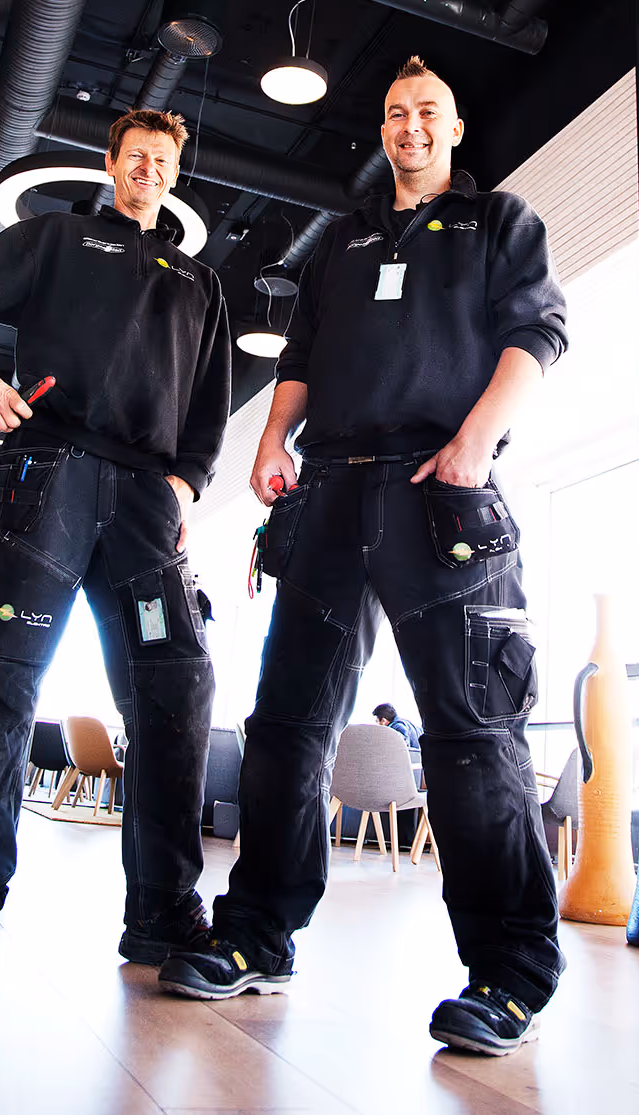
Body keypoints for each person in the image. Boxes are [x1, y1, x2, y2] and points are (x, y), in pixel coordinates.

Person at [160, 57, 568, 1056]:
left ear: (455, 128)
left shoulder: (499, 222)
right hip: (329, 490)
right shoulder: (341, 241)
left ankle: (509, 974)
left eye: (427, 111)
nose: (409, 126)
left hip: (442, 491)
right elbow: (299, 358)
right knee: (286, 726)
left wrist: (473, 445)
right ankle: (257, 932)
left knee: (472, 733)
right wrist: (270, 440)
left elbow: (538, 334)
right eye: (393, 113)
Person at [0, 109, 231, 965]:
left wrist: (185, 482)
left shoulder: (198, 283)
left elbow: (210, 401)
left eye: (162, 159)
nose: (148, 169)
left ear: (174, 172)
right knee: (6, 684)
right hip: (49, 475)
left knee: (174, 691)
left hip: (146, 505)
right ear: (112, 163)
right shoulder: (56, 238)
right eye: (136, 156)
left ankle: (162, 909)